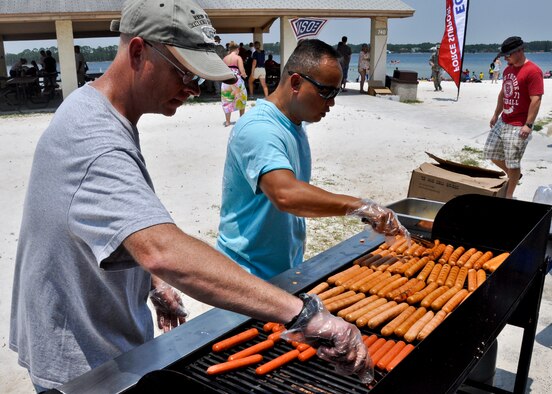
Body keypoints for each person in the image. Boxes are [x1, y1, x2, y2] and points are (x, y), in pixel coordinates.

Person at [9, 1, 373, 391]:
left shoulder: (99, 112)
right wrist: (304, 314)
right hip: (80, 362)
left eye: (201, 77)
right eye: (185, 72)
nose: (195, 88)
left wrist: (150, 282)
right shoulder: (95, 139)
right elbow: (162, 250)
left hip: (102, 335)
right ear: (137, 52)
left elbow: (106, 221)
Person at [216, 39, 408, 281]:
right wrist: (361, 206)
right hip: (247, 275)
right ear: (296, 82)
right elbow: (285, 194)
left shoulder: (294, 123)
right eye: (326, 91)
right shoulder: (260, 128)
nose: (332, 102)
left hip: (283, 269)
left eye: (336, 92)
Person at [483, 36, 544, 199]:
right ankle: (515, 175)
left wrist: (528, 125)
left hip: (519, 124)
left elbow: (536, 99)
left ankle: (508, 196)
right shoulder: (508, 69)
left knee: (513, 162)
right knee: (491, 153)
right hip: (504, 120)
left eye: (508, 54)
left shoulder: (533, 71)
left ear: (520, 51)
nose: (506, 57)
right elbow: (503, 93)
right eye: (504, 55)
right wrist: (496, 113)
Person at [221, 41, 248, 126]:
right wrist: (245, 75)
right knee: (241, 98)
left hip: (226, 79)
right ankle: (241, 120)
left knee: (226, 99)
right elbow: (242, 71)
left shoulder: (225, 58)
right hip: (235, 79)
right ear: (237, 49)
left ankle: (228, 121)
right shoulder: (238, 57)